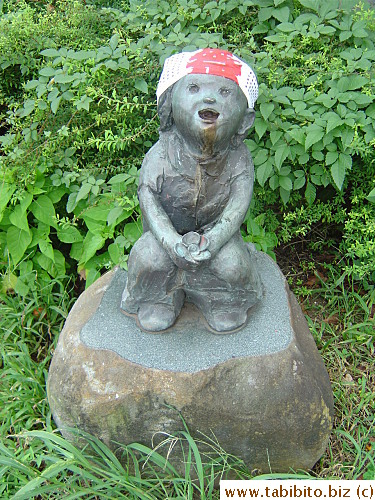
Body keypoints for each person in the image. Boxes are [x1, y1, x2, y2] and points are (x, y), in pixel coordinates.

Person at [121, 49, 262, 333]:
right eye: (194, 88)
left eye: (224, 92)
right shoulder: (160, 154)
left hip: (216, 241)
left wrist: (213, 241)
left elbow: (237, 209)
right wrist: (171, 241)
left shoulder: (239, 158)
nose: (208, 99)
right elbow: (147, 198)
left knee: (232, 265)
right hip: (165, 241)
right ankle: (161, 297)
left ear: (245, 121)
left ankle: (219, 299)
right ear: (169, 107)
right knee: (148, 257)